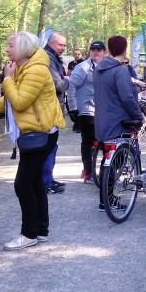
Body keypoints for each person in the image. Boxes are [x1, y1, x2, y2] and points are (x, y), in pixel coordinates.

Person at [0, 32, 63, 249]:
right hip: (33, 132)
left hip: (40, 133)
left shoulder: (36, 70)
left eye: (10, 45)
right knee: (35, 181)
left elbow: (19, 102)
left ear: (22, 48)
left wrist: (8, 79)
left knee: (22, 184)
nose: (7, 49)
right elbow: (11, 100)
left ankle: (28, 234)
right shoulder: (25, 67)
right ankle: (40, 231)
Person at [93, 35, 143, 211]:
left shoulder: (99, 68)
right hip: (118, 122)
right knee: (116, 162)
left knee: (107, 161)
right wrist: (138, 116)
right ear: (124, 49)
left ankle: (104, 200)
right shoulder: (120, 70)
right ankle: (109, 201)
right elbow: (127, 98)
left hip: (102, 121)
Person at [69, 40, 106, 183]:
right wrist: (73, 109)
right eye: (93, 50)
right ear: (89, 52)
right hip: (86, 110)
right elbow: (71, 86)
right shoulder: (82, 68)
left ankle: (103, 172)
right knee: (88, 141)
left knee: (102, 142)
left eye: (99, 50)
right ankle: (88, 173)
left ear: (104, 52)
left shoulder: (106, 67)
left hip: (102, 111)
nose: (96, 53)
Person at [42, 32, 69, 194]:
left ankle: (48, 178)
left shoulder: (53, 57)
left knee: (52, 146)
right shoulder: (48, 58)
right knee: (49, 146)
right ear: (51, 43)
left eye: (65, 45)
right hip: (49, 108)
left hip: (53, 107)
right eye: (61, 45)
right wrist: (67, 79)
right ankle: (45, 182)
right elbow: (58, 84)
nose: (63, 48)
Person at [66, 48, 84, 132]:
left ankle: (79, 124)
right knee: (70, 104)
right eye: (75, 54)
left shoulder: (83, 63)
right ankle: (75, 122)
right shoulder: (71, 64)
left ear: (81, 55)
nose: (77, 56)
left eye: (78, 54)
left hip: (80, 86)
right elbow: (69, 74)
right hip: (71, 85)